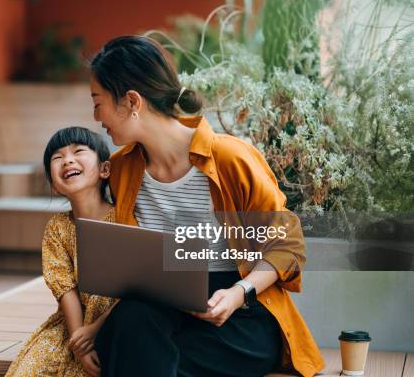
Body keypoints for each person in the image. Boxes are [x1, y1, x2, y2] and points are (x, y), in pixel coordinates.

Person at [89, 36, 324, 377]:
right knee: (131, 324)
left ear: (132, 101)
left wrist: (237, 294)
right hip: (160, 307)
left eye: (98, 102)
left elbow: (287, 246)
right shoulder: (122, 169)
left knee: (136, 357)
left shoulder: (229, 158)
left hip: (238, 310)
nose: (96, 116)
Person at [5, 127, 117, 377]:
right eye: (57, 157)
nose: (67, 159)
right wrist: (79, 341)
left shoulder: (125, 219)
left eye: (78, 151)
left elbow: (138, 287)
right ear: (54, 185)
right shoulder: (58, 227)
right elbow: (64, 289)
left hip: (117, 319)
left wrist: (95, 330)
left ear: (104, 169)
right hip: (71, 324)